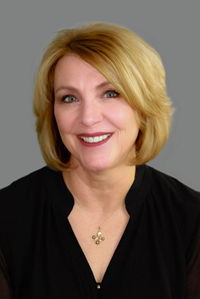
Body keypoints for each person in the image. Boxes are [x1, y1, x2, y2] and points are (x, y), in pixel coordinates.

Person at [0, 22, 199, 299]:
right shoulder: (6, 216)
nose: (88, 118)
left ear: (144, 107)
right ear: (52, 113)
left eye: (110, 93)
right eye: (69, 98)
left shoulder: (191, 219)